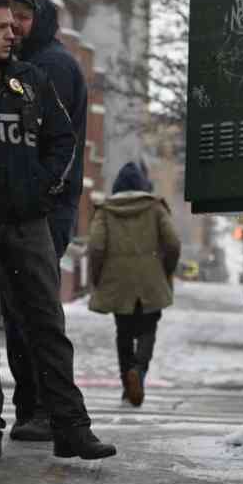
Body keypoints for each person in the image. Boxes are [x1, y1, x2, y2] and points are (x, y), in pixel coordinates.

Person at [0, 0, 116, 463]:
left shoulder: (33, 79)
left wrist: (40, 192)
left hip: (28, 225)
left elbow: (62, 141)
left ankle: (70, 426)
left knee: (47, 324)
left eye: (15, 24)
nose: (12, 33)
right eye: (0, 26)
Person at [3, 0, 90, 442]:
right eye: (9, 15)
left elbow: (53, 143)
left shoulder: (50, 66)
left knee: (30, 309)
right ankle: (32, 408)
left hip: (44, 209)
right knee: (22, 309)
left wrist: (35, 194)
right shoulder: (29, 64)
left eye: (23, 16)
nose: (14, 24)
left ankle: (40, 410)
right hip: (34, 206)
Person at [87, 160, 182, 407]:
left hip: (118, 282)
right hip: (151, 280)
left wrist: (97, 277)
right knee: (149, 329)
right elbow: (172, 242)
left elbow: (96, 247)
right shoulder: (155, 208)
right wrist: (166, 270)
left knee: (124, 332)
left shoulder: (106, 211)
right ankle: (138, 372)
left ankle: (127, 383)